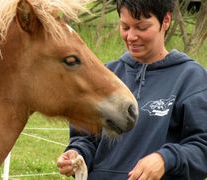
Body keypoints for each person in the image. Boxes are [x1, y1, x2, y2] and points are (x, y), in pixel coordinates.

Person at [57, 0, 207, 179]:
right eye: (125, 27)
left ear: (166, 21)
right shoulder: (107, 74)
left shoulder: (191, 78)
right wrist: (77, 153)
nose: (131, 36)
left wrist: (165, 159)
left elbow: (202, 148)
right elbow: (86, 137)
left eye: (141, 27)